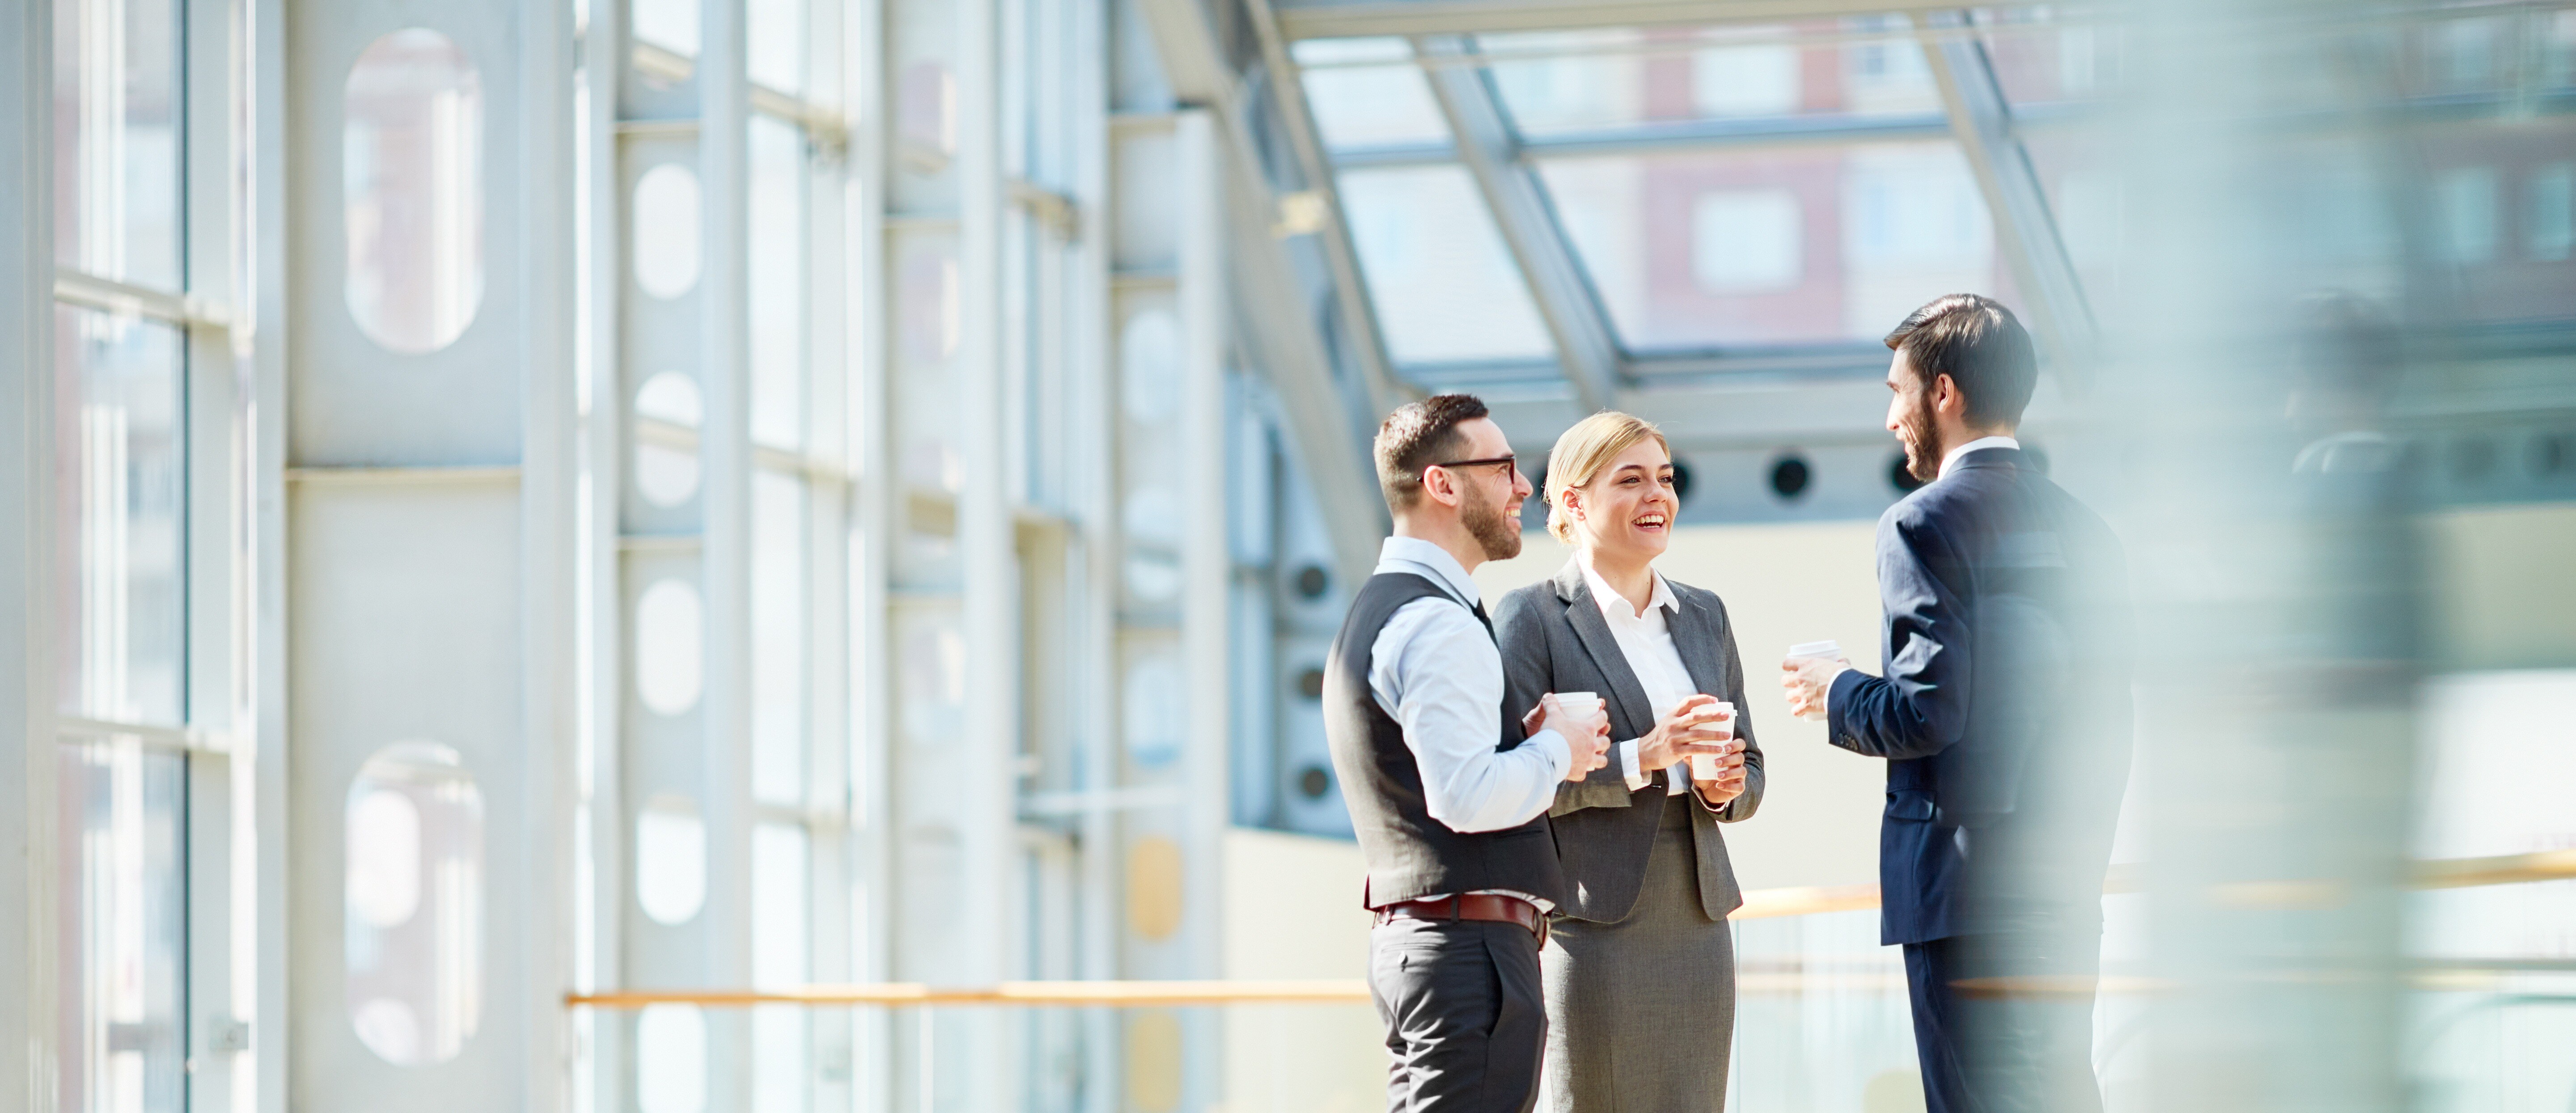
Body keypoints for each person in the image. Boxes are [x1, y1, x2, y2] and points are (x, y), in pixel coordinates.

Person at [1778, 295, 2131, 1113]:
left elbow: (1927, 711)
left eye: (1896, 390)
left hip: (1965, 901)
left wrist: (1836, 691)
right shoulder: (2089, 530)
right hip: (2066, 890)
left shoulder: (1922, 523)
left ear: (1943, 393)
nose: (1891, 415)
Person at [1325, 394, 1614, 1113]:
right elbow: (1465, 795)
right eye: (1505, 468)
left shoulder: (1389, 609)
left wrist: (1528, 737)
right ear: (1443, 484)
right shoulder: (1437, 624)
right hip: (1465, 955)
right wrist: (1555, 747)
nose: (1523, 487)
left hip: (1434, 947)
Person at [1492, 411, 1763, 1113]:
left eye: (1666, 480)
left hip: (1699, 922)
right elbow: (1516, 784)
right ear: (1573, 502)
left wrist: (1723, 783)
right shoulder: (1532, 618)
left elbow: (1752, 770)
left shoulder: (1705, 614)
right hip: (1594, 927)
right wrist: (1642, 756)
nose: (1658, 496)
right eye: (1632, 479)